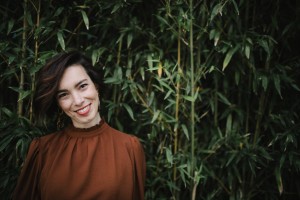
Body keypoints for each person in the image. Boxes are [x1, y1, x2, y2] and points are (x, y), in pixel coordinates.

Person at [13, 51, 146, 200]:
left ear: (95, 85)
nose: (77, 101)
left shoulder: (130, 148)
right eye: (64, 94)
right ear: (57, 102)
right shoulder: (43, 150)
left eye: (82, 86)